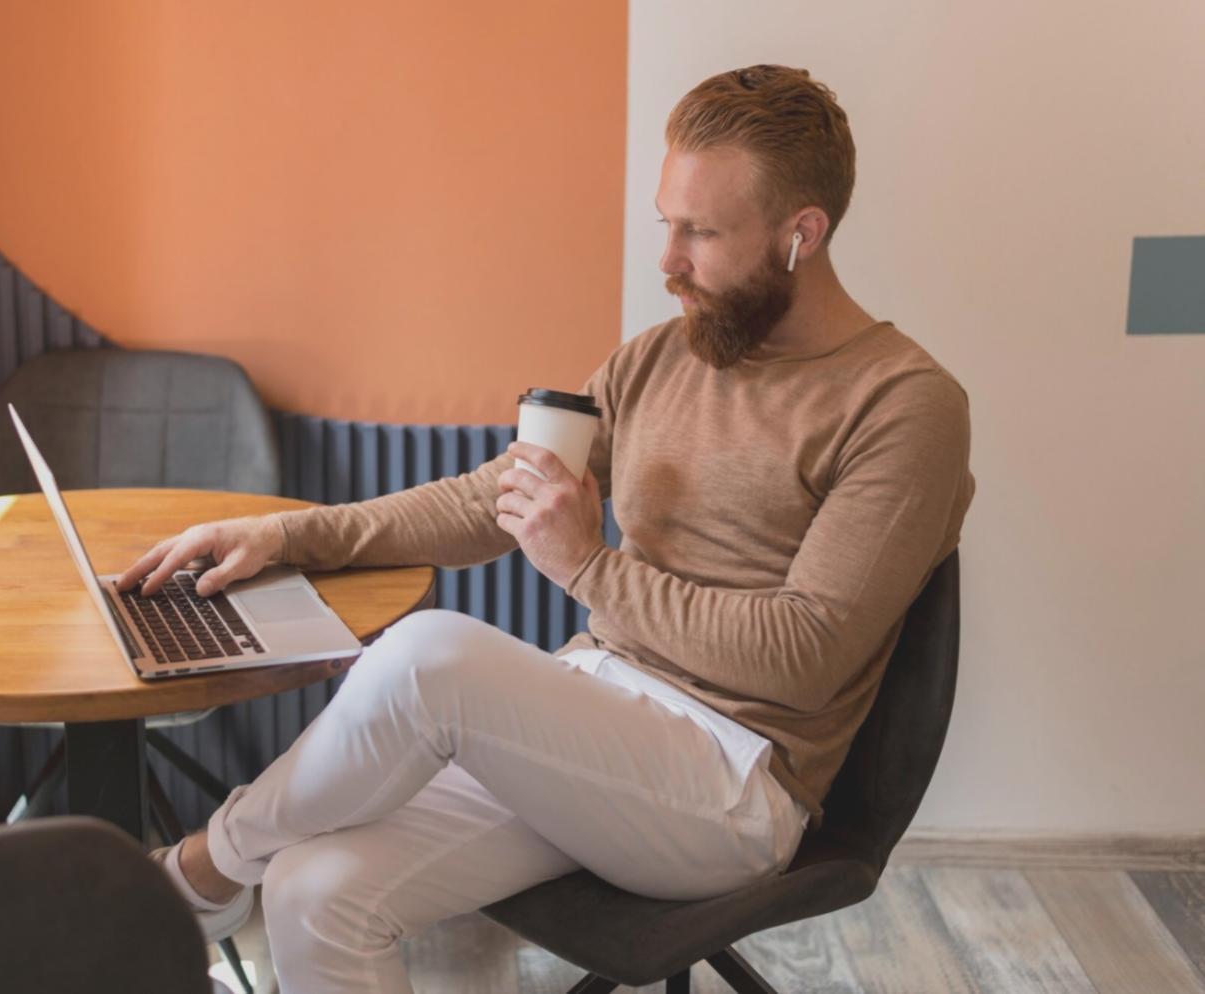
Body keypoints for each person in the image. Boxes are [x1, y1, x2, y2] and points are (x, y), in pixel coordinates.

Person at [117, 64, 976, 993]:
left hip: (730, 785)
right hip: (592, 727)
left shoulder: (903, 406)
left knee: (429, 655)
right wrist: (291, 538)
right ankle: (233, 874)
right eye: (667, 224)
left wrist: (589, 569)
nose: (669, 262)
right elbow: (492, 499)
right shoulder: (659, 359)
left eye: (702, 233)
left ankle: (197, 872)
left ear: (800, 235)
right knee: (314, 889)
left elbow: (805, 653)